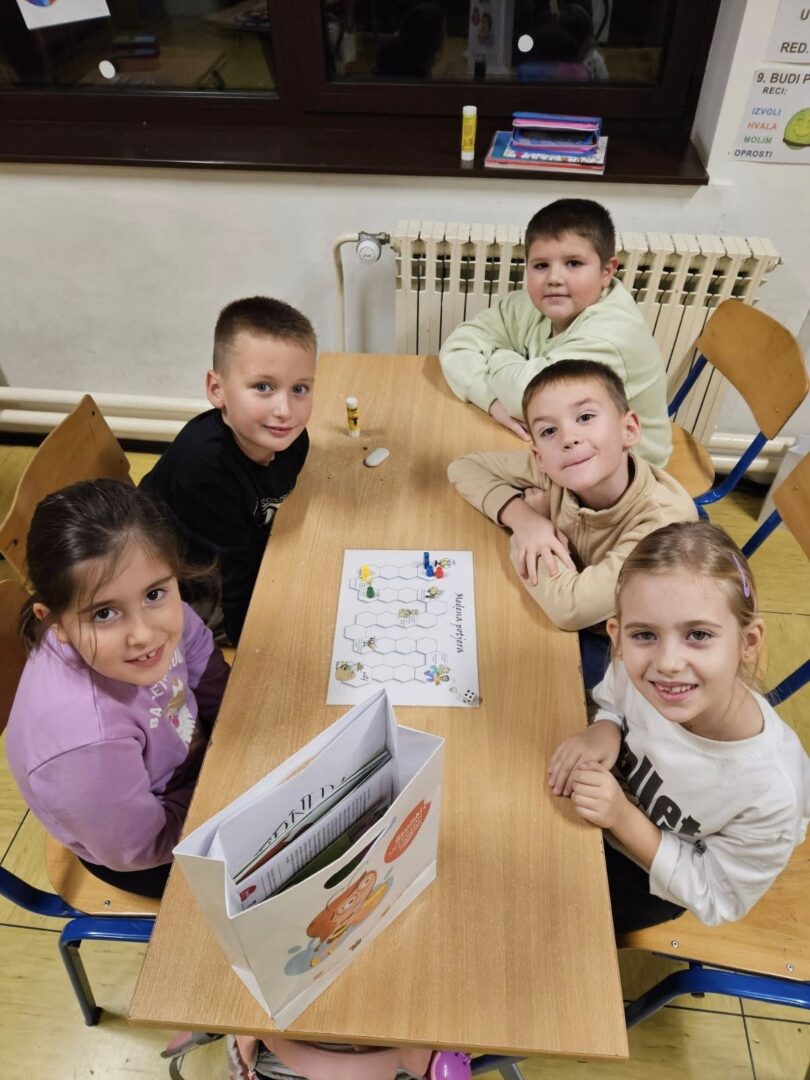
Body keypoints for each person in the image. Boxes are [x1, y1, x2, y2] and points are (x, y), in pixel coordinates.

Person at [548, 521, 810, 932]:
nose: (668, 663)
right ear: (618, 638)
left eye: (698, 634)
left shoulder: (771, 790)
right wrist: (606, 727)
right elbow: (613, 698)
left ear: (748, 642)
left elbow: (716, 896)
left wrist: (621, 816)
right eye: (645, 635)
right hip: (589, 811)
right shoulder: (646, 674)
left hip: (646, 879)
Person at [5, 479, 229, 899]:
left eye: (155, 594)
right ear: (54, 621)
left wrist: (235, 731)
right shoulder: (83, 744)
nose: (143, 634)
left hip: (200, 773)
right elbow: (141, 848)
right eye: (104, 614)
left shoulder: (138, 591)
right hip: (155, 848)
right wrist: (226, 788)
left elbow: (206, 666)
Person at [447, 360, 696, 633]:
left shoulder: (663, 523)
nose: (568, 438)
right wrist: (526, 520)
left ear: (629, 429)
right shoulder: (559, 470)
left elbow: (570, 609)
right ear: (540, 458)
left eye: (585, 417)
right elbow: (465, 467)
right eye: (549, 431)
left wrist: (525, 536)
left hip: (627, 639)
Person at [439, 198, 671, 467]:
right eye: (541, 265)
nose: (554, 278)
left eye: (573, 263)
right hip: (566, 447)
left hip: (626, 473)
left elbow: (529, 398)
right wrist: (491, 400)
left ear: (606, 272)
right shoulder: (532, 304)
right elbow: (457, 346)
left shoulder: (610, 336)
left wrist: (500, 355)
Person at [141, 296, 316, 645]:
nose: (285, 410)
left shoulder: (292, 440)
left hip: (232, 550)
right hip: (180, 580)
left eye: (299, 389)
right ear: (216, 389)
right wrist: (252, 647)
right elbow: (232, 576)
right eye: (263, 387)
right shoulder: (203, 467)